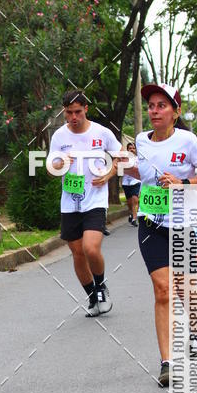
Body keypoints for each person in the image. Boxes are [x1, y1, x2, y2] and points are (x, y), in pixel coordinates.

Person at [120, 83, 197, 387]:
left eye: (162, 105)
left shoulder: (188, 141)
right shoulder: (140, 142)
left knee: (186, 290)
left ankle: (195, 331)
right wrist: (118, 164)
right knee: (163, 289)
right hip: (152, 222)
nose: (155, 111)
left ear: (175, 112)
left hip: (185, 223)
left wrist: (183, 182)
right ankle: (167, 363)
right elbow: (142, 174)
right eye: (151, 106)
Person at [48, 90, 121, 317]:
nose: (73, 117)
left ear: (86, 109)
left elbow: (120, 157)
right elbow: (52, 169)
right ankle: (92, 296)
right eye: (68, 113)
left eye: (78, 112)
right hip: (70, 202)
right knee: (77, 252)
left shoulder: (102, 133)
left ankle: (101, 287)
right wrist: (59, 163)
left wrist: (109, 174)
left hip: (95, 199)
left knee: (90, 247)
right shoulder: (59, 137)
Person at [122, 142, 140, 226]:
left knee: (135, 199)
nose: (132, 150)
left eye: (133, 148)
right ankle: (132, 213)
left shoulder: (138, 159)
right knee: (129, 202)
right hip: (126, 182)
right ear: (127, 150)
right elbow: (120, 171)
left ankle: (134, 219)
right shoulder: (124, 159)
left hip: (136, 181)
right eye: (130, 148)